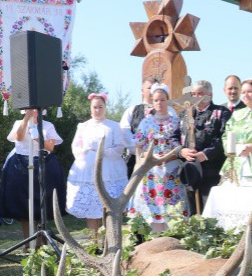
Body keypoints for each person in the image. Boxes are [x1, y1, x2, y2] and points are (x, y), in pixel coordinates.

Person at [0, 108, 66, 242]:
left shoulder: (48, 125)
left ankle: (41, 240)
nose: (33, 111)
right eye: (30, 109)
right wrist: (26, 120)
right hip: (22, 164)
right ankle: (28, 242)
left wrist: (37, 138)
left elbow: (51, 147)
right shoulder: (19, 123)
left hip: (43, 163)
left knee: (42, 202)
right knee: (25, 204)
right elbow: (19, 137)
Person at [66, 93, 132, 233]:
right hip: (88, 169)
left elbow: (120, 146)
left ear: (105, 108)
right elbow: (75, 147)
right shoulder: (83, 126)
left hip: (110, 168)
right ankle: (94, 242)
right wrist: (86, 151)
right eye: (95, 107)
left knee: (109, 207)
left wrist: (104, 151)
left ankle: (109, 241)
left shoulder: (114, 126)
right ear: (90, 109)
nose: (97, 110)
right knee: (91, 208)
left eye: (100, 107)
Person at [128, 83, 188, 231]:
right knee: (152, 210)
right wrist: (150, 156)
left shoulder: (176, 122)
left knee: (172, 209)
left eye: (162, 100)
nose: (159, 103)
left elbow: (181, 146)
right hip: (151, 172)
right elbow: (139, 147)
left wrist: (170, 156)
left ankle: (173, 238)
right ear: (152, 102)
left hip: (171, 171)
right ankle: (154, 239)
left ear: (167, 101)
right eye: (156, 100)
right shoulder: (146, 122)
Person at [176, 79, 231, 215]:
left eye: (200, 94)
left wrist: (205, 154)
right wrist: (181, 151)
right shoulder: (184, 114)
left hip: (211, 170)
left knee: (209, 210)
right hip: (189, 169)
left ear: (210, 95)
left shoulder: (221, 113)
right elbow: (174, 137)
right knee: (192, 210)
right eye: (193, 94)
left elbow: (224, 139)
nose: (196, 97)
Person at [120, 76, 156, 178]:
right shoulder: (132, 110)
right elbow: (124, 132)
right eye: (149, 88)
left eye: (154, 88)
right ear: (142, 90)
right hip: (135, 159)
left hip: (158, 160)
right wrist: (138, 150)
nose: (152, 91)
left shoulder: (166, 111)